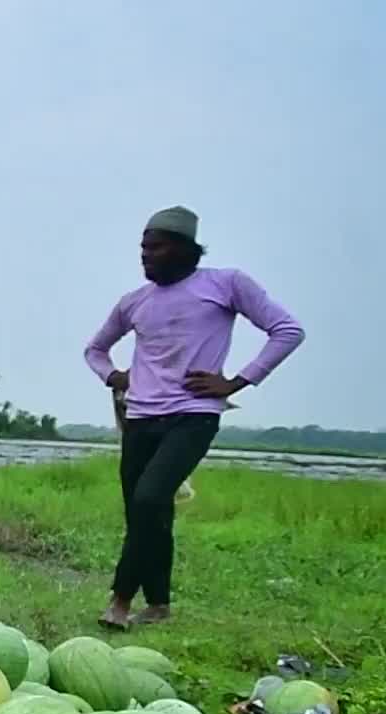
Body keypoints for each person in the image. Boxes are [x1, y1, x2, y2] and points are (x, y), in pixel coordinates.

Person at [84, 205, 305, 629]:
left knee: (150, 499)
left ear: (185, 249)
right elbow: (95, 349)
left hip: (193, 415)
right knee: (145, 510)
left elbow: (287, 330)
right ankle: (160, 603)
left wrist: (237, 381)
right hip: (140, 418)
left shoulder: (225, 284)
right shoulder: (135, 303)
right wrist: (113, 375)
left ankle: (119, 601)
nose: (146, 255)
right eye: (143, 248)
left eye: (157, 247)